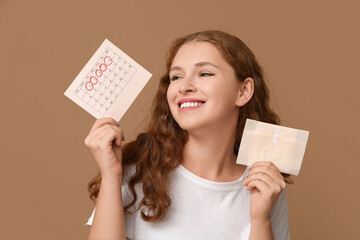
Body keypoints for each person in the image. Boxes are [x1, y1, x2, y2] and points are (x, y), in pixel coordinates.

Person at [85, 30, 291, 240]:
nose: (184, 87)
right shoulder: (136, 173)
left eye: (205, 73)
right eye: (176, 77)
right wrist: (111, 176)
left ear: (243, 91)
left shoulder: (264, 182)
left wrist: (260, 220)